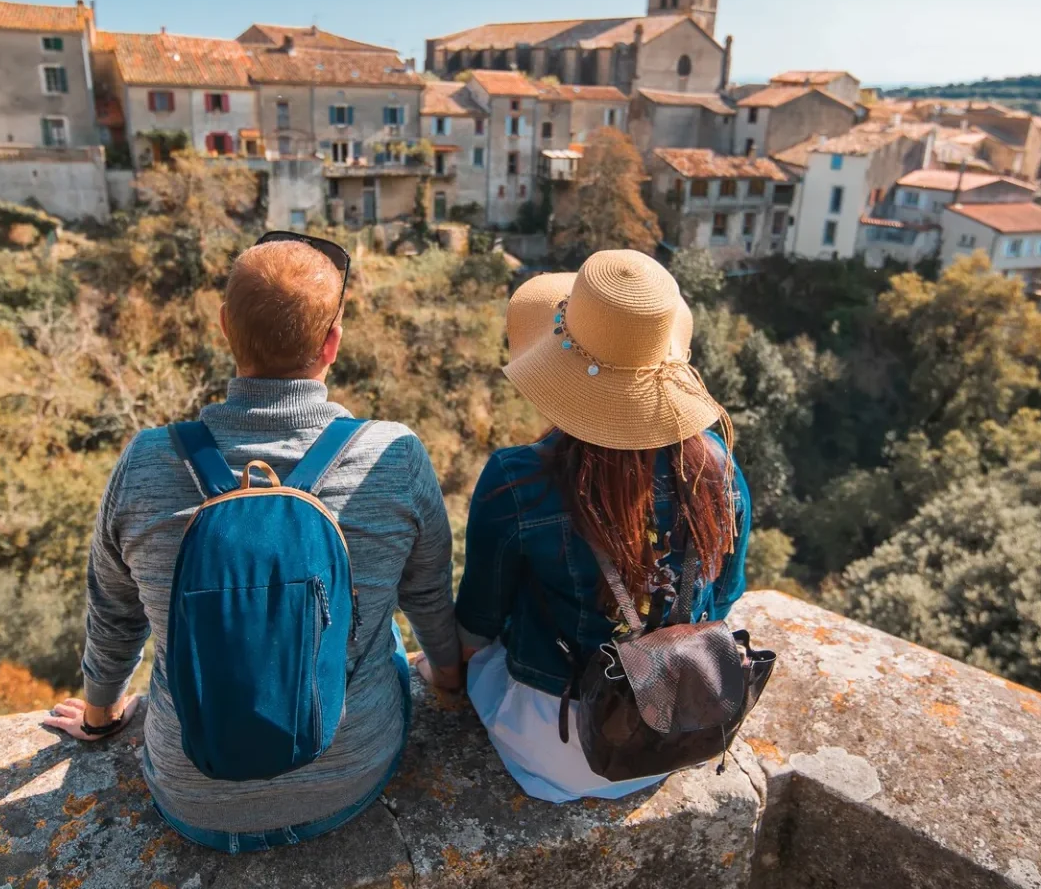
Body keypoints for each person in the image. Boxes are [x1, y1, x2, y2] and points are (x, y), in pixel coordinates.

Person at [43, 232, 464, 854]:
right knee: (387, 637)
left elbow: (115, 616)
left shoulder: (147, 462)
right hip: (349, 775)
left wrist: (102, 716)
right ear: (332, 342)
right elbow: (428, 596)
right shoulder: (391, 456)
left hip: (190, 791)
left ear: (223, 327)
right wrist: (449, 681)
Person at [456, 249, 750, 803]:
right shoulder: (718, 469)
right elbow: (727, 599)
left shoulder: (516, 482)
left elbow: (477, 630)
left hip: (555, 737)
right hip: (677, 729)